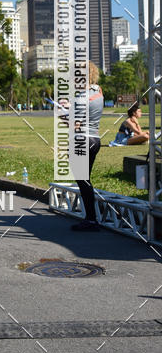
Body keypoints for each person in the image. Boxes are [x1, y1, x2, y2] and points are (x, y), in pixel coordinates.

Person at [71, 62, 104, 232]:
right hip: (95, 139)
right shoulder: (98, 91)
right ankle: (91, 217)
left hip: (82, 139)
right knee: (85, 179)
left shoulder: (80, 97)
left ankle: (91, 218)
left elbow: (75, 125)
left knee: (82, 180)